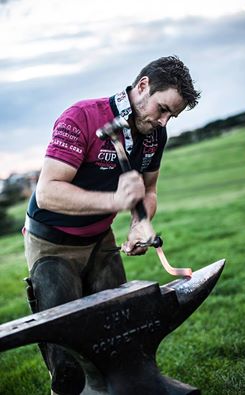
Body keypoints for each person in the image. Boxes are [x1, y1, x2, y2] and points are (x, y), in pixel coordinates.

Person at [23, 55, 200, 395]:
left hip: (100, 240)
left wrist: (138, 223)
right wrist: (114, 202)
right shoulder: (82, 117)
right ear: (143, 86)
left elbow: (148, 191)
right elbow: (47, 193)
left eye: (171, 116)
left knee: (119, 335)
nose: (164, 122)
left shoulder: (153, 136)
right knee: (66, 362)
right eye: (162, 109)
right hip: (52, 243)